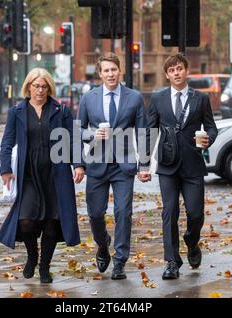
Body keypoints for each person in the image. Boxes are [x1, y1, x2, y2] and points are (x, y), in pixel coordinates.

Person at [0, 68, 85, 283]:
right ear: (28, 87)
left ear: (49, 88)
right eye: (36, 86)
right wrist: (5, 169)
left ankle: (45, 267)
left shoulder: (61, 110)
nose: (40, 90)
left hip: (57, 173)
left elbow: (72, 138)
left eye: (44, 86)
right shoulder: (16, 111)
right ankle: (32, 256)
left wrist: (79, 165)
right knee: (26, 221)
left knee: (52, 223)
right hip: (28, 173)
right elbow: (7, 142)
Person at [77, 53, 151, 280]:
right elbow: (76, 130)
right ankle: (102, 244)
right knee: (95, 213)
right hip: (97, 165)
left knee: (123, 212)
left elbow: (143, 133)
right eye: (106, 70)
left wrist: (144, 165)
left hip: (124, 165)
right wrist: (91, 136)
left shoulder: (134, 97)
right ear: (100, 74)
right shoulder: (88, 98)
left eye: (114, 70)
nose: (110, 74)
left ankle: (120, 260)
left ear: (120, 71)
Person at [147, 53, 217, 279]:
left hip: (193, 164)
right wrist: (143, 164)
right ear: (167, 75)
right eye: (172, 70)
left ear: (186, 71)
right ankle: (171, 262)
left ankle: (192, 241)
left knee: (195, 214)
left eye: (180, 68)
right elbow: (149, 133)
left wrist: (208, 139)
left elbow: (212, 127)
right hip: (167, 165)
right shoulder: (157, 99)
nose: (176, 73)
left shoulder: (201, 98)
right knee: (169, 212)